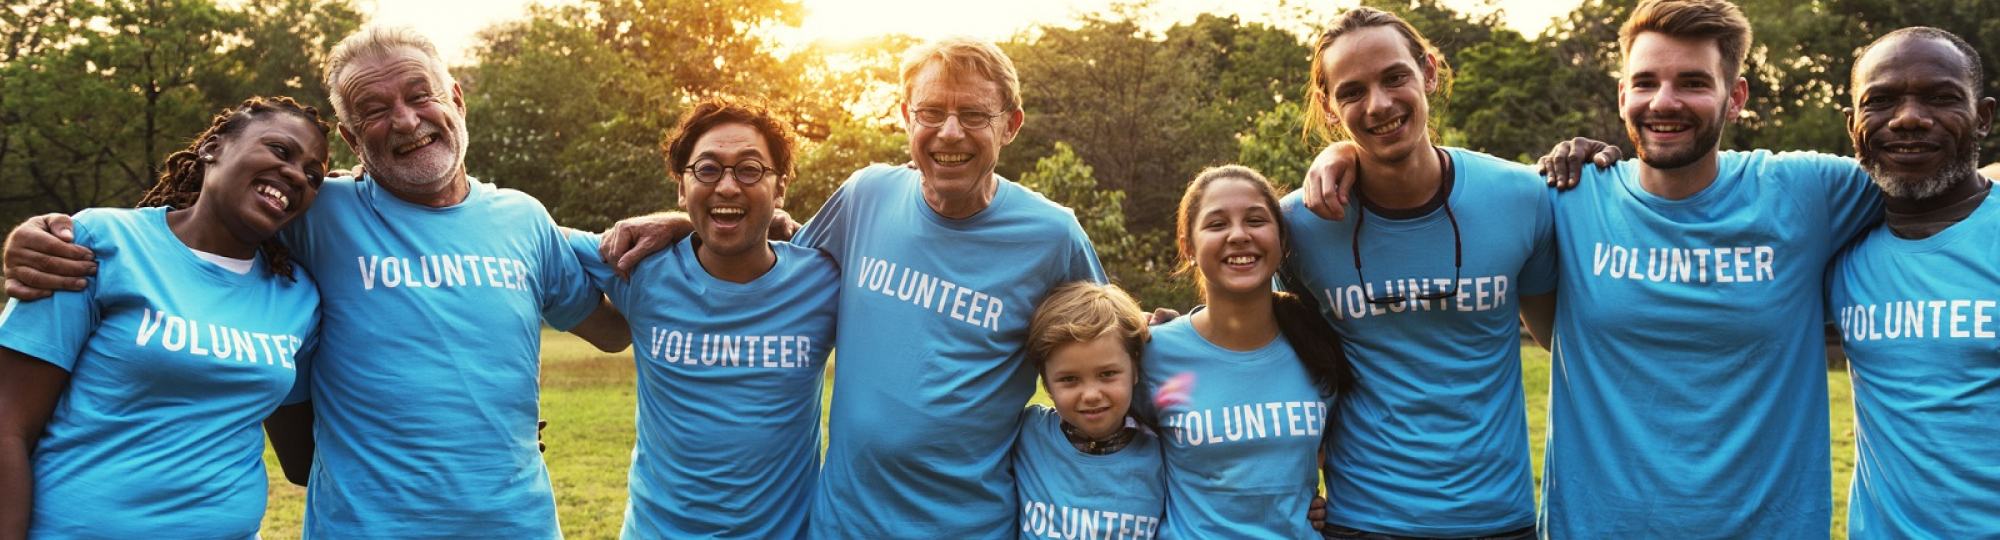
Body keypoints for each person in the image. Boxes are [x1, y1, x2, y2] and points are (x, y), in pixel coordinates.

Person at [0, 26, 631, 538]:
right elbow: (192, 227)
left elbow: (611, 327)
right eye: (374, 110)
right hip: (360, 529)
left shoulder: (524, 219)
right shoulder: (316, 210)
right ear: (355, 140)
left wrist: (680, 224)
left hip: (515, 525)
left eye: (421, 94)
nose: (407, 121)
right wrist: (43, 235)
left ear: (457, 99)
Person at [595, 37, 1098, 538]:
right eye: (931, 112)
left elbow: (1109, 345)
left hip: (970, 527)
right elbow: (774, 245)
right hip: (842, 524)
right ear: (906, 116)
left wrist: (1167, 334)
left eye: (973, 115)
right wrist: (683, 222)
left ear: (1010, 125)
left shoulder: (1052, 236)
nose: (949, 133)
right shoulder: (866, 195)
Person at [0, 97, 328, 539]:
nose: (295, 175)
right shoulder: (100, 242)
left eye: (313, 176)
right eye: (280, 151)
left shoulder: (298, 298)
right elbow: (9, 424)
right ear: (213, 147)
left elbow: (301, 461)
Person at [1282, 8, 1555, 539]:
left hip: (1500, 520)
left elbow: (1564, 342)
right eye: (1352, 91)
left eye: (1395, 77)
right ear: (1328, 108)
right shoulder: (1299, 226)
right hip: (1362, 521)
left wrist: (1594, 161)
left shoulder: (1521, 197)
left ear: (1428, 72)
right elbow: (1266, 353)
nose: (1379, 104)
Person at [566, 97, 839, 538]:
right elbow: (530, 242)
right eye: (707, 170)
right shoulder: (638, 266)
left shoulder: (824, 280)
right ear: (681, 185)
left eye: (750, 169)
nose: (727, 187)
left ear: (781, 185)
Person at [1827, 27, 2000, 538]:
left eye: (1940, 97)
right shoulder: (1834, 246)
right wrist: (1597, 172)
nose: (1908, 118)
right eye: (1880, 101)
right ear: (1853, 124)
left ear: (1983, 117)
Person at [1133, 165, 1351, 539]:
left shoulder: (1318, 347)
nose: (1238, 235)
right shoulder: (1154, 355)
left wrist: (1329, 507)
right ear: (1188, 247)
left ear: (1283, 241)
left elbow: (1337, 455)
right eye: (1217, 224)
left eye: (1255, 220)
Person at [1013, 281, 1165, 540]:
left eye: (1107, 374)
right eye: (1069, 379)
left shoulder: (1164, 454)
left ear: (1135, 369)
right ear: (1047, 383)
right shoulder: (1025, 434)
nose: (1091, 395)